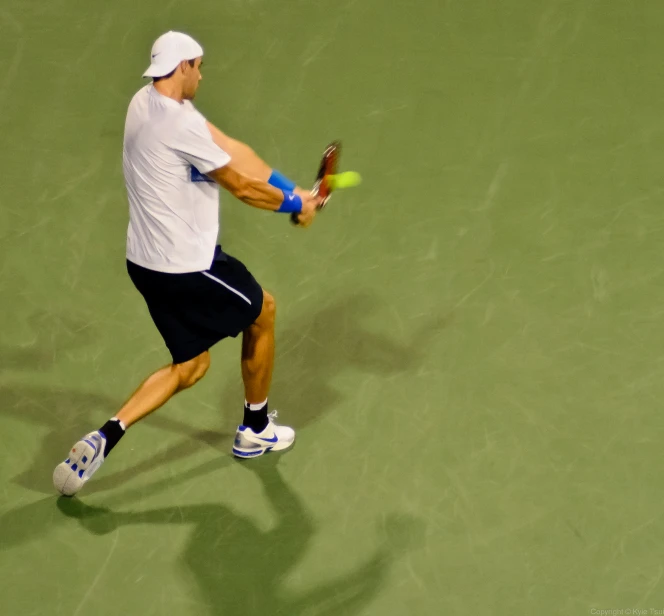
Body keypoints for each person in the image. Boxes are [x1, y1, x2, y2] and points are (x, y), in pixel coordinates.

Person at [53, 31, 322, 496]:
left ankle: (105, 435)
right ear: (182, 68)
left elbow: (233, 150)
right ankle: (254, 430)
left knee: (191, 365)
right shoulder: (182, 126)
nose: (201, 74)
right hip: (188, 267)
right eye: (198, 66)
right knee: (264, 312)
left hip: (144, 264)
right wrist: (292, 206)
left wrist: (295, 190)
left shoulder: (143, 104)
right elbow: (241, 185)